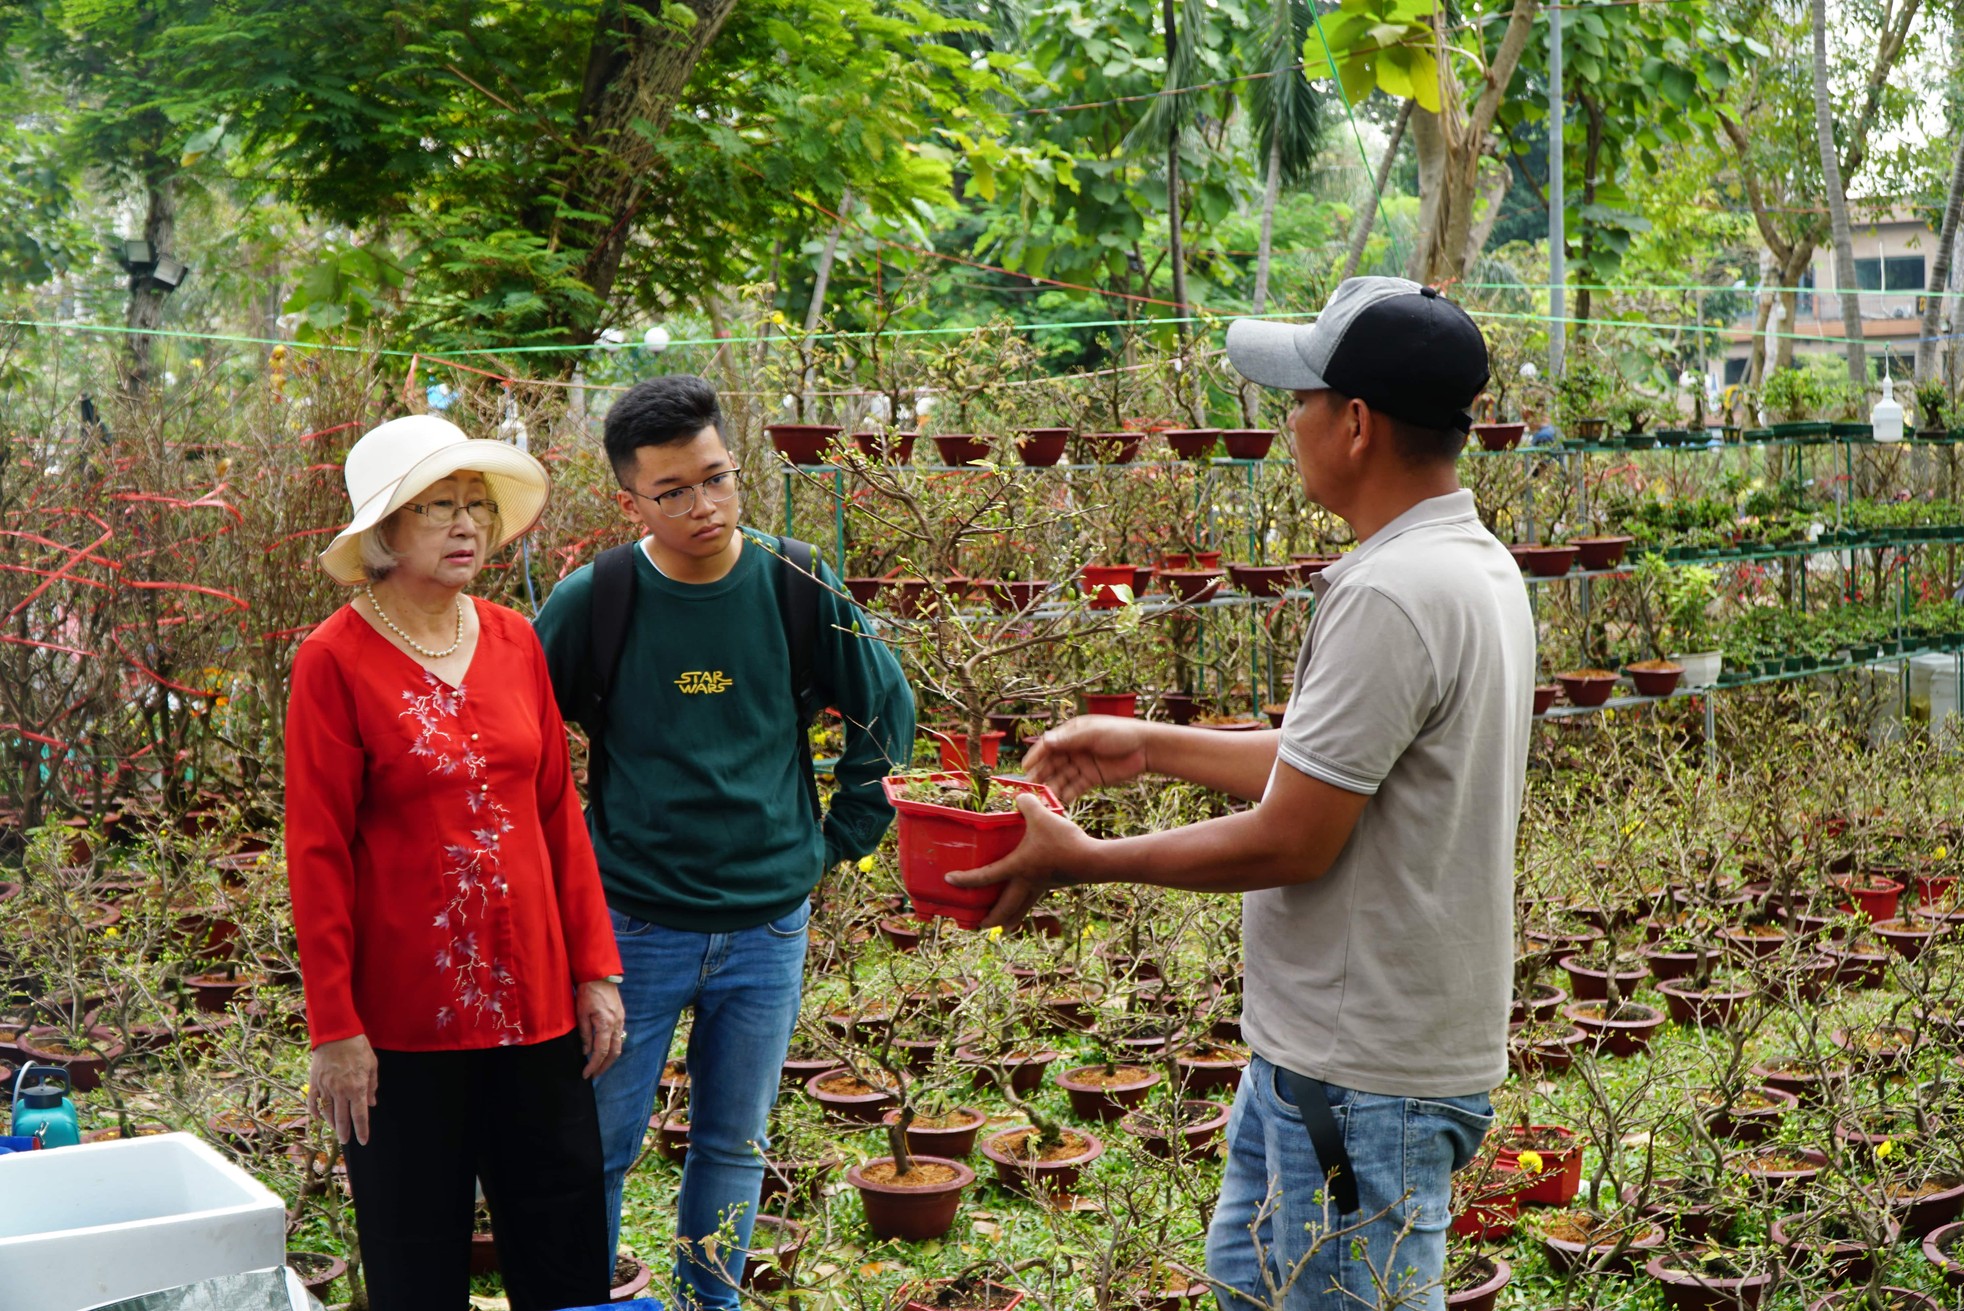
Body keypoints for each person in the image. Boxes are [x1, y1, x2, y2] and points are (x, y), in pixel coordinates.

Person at [950, 277, 1536, 1311]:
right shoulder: (1466, 564)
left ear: (1354, 424)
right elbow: (1335, 762)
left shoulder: (1391, 594)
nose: (1287, 422)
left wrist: (1079, 860)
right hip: (1339, 1064)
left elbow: (1292, 840)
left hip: (1361, 1083)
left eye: (1298, 399)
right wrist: (1149, 745)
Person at [534, 375, 915, 1307]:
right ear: (631, 501)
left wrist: (834, 843)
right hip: (632, 927)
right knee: (602, 1144)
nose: (704, 506)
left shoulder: (792, 580)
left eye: (718, 478)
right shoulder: (598, 599)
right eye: (674, 491)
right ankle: (590, 1297)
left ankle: (713, 1298)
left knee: (733, 1143)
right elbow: (527, 747)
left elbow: (884, 708)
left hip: (767, 928)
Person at [287, 414, 626, 1311]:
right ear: (384, 532)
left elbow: (558, 814)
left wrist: (596, 971)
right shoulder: (333, 660)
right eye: (437, 506)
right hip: (402, 1026)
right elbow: (317, 851)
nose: (467, 523)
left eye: (476, 503)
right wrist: (335, 1026)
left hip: (538, 1006)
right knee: (414, 1255)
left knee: (563, 1242)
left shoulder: (516, 640)